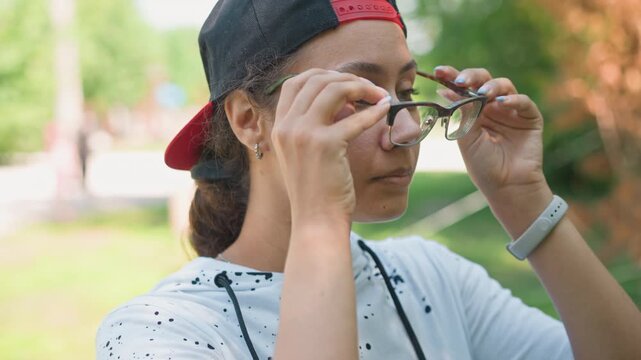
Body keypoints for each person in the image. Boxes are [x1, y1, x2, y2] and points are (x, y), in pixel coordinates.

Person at [96, 1, 641, 359]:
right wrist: (319, 226)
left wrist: (525, 199)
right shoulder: (159, 333)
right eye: (358, 98)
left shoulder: (433, 279)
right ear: (247, 120)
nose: (407, 129)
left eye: (406, 91)